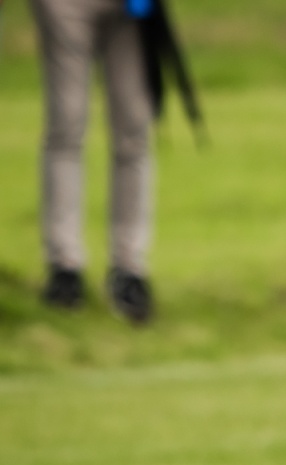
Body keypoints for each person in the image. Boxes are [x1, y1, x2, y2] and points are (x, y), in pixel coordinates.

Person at [29, 0, 167, 321]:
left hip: (131, 8)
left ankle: (129, 268)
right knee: (65, 126)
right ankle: (64, 266)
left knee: (133, 133)